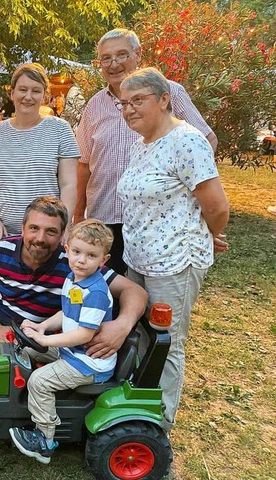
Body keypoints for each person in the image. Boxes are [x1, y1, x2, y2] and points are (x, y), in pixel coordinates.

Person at [116, 67, 229, 428]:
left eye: (138, 100)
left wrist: (208, 233)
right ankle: (138, 397)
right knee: (143, 334)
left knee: (166, 341)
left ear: (164, 99)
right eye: (124, 103)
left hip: (174, 261)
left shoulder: (188, 141)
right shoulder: (141, 144)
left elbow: (216, 205)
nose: (129, 109)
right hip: (139, 258)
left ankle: (157, 422)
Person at [0, 196, 147, 356]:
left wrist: (123, 325)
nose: (40, 238)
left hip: (44, 328)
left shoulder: (75, 262)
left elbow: (134, 291)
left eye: (51, 231)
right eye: (34, 228)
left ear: (62, 236)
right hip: (3, 313)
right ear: (23, 229)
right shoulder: (0, 251)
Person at [75, 28, 218, 275]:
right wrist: (78, 214)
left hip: (156, 223)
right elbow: (84, 163)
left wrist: (193, 206)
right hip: (104, 217)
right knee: (105, 296)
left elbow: (207, 140)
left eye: (121, 55)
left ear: (138, 54)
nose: (114, 64)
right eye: (106, 58)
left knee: (154, 302)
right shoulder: (95, 105)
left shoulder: (169, 93)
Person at [9, 219, 115, 464]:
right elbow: (66, 314)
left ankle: (44, 441)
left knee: (40, 381)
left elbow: (84, 335)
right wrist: (42, 326)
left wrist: (46, 340)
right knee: (21, 350)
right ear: (67, 249)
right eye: (77, 252)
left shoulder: (96, 292)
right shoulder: (74, 278)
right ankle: (19, 407)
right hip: (71, 350)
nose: (81, 260)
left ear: (103, 260)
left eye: (91, 255)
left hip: (88, 362)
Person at [0, 63, 80, 253]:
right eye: (22, 89)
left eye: (36, 91)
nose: (28, 96)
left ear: (44, 96)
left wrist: (62, 226)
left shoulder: (60, 130)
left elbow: (69, 184)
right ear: (12, 92)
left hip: (44, 236)